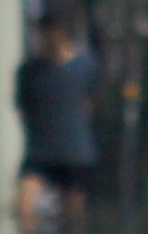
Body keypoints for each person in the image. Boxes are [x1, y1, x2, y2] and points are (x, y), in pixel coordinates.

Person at [15, 18, 98, 219]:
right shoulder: (30, 71)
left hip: (74, 152)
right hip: (41, 151)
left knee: (74, 214)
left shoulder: (85, 66)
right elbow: (23, 106)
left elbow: (91, 101)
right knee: (23, 208)